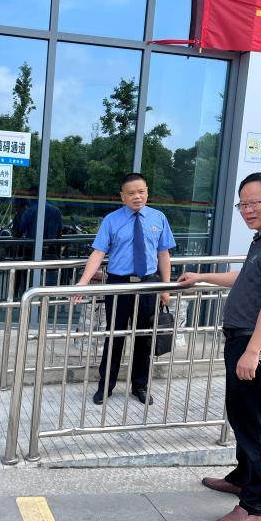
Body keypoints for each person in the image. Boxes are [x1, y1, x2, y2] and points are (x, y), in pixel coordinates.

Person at [177, 172, 261, 521]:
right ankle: (242, 476)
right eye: (242, 204)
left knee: (254, 423)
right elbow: (246, 278)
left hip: (258, 343)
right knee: (240, 414)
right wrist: (201, 277)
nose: (247, 210)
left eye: (254, 203)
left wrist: (253, 351)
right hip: (246, 340)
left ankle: (254, 506)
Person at [74, 172, 175, 406]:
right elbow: (98, 252)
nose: (137, 197)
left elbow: (163, 254)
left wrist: (166, 287)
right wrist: (83, 282)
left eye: (141, 192)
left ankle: (140, 386)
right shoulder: (111, 220)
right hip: (119, 284)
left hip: (148, 284)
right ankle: (105, 386)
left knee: (144, 337)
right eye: (131, 193)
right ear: (122, 196)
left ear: (147, 192)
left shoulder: (158, 218)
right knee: (114, 336)